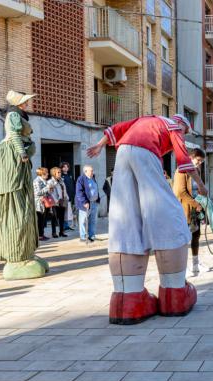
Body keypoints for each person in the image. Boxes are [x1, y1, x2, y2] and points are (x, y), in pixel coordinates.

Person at [87, 114, 206, 324]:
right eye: (185, 132)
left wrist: (98, 146)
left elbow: (115, 129)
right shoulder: (174, 126)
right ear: (183, 126)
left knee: (126, 216)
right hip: (147, 154)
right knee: (167, 212)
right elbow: (183, 160)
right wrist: (201, 185)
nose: (182, 135)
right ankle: (174, 292)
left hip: (122, 152)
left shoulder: (143, 120)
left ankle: (127, 296)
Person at [0, 91, 47, 280]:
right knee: (16, 210)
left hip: (19, 164)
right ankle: (16, 259)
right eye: (24, 101)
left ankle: (26, 254)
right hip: (12, 163)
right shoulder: (13, 115)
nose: (27, 103)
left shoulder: (19, 115)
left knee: (25, 210)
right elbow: (13, 136)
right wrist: (22, 154)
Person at [174, 148, 210, 277]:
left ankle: (195, 264)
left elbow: (199, 188)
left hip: (196, 210)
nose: (199, 163)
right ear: (191, 157)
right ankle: (181, 268)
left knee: (196, 236)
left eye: (201, 161)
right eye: (198, 160)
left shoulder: (196, 171)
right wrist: (196, 204)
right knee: (183, 240)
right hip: (184, 210)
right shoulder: (181, 171)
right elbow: (181, 192)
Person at [75, 165, 100, 242]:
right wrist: (84, 202)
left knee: (93, 220)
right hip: (85, 204)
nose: (93, 172)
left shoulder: (93, 178)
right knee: (83, 221)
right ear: (85, 171)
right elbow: (79, 192)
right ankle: (83, 237)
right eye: (91, 171)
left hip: (94, 203)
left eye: (92, 170)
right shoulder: (81, 179)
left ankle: (92, 236)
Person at [33, 167, 53, 241]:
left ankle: (42, 234)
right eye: (46, 172)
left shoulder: (44, 180)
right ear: (42, 173)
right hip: (39, 204)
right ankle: (39, 236)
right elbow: (38, 193)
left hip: (45, 203)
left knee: (43, 220)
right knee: (40, 220)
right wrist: (47, 188)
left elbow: (46, 191)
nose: (48, 174)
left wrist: (50, 189)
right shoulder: (37, 181)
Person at [48, 166, 68, 238]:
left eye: (60, 172)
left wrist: (66, 197)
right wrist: (56, 200)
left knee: (62, 217)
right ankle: (54, 233)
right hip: (55, 202)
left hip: (62, 201)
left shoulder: (61, 180)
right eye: (58, 172)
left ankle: (61, 232)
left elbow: (64, 190)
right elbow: (50, 193)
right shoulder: (50, 182)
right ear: (54, 173)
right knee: (54, 218)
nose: (60, 173)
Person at [60, 162, 76, 231]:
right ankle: (64, 226)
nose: (66, 168)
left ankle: (68, 225)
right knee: (64, 212)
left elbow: (73, 184)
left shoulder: (70, 176)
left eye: (67, 167)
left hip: (71, 196)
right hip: (65, 197)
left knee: (69, 212)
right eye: (64, 167)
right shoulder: (61, 176)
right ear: (61, 168)